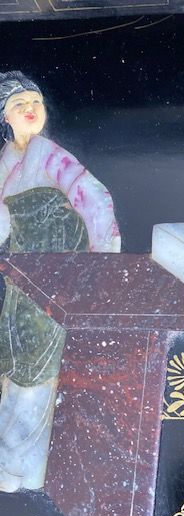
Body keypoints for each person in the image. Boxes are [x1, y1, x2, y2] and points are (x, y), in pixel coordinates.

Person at [0, 70, 121, 492]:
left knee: (38, 371)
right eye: (19, 105)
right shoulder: (5, 163)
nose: (31, 109)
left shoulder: (50, 156)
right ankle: (11, 467)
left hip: (59, 279)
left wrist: (103, 265)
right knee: (15, 364)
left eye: (36, 102)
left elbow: (96, 201)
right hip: (22, 283)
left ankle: (23, 469)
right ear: (5, 117)